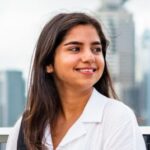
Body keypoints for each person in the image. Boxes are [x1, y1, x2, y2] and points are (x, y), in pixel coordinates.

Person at [6, 12, 146, 150]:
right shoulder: (26, 126)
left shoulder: (118, 118)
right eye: (75, 49)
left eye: (96, 49)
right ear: (49, 63)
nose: (89, 57)